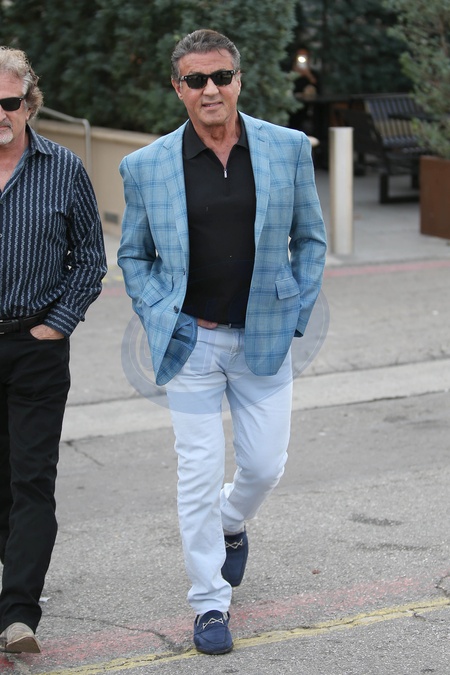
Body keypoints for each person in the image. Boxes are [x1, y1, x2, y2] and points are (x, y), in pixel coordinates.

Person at [118, 29, 327, 655]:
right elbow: (134, 255)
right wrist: (161, 313)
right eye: (195, 79)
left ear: (238, 80)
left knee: (264, 466)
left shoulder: (287, 148)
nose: (210, 89)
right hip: (192, 345)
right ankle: (209, 602)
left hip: (264, 338)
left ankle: (231, 523)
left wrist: (295, 312)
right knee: (197, 473)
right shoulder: (146, 166)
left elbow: (310, 239)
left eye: (221, 77)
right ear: (177, 87)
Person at [0, 47, 107, 653]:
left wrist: (58, 324)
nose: (0, 114)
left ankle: (19, 615)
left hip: (36, 348)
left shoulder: (64, 168)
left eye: (9, 102)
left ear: (29, 104)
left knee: (33, 480)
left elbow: (89, 259)